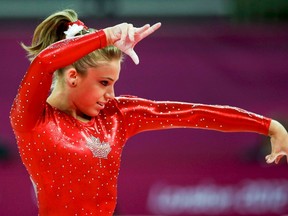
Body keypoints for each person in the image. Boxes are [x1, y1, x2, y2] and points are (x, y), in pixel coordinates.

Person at [10, 9, 288, 215]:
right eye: (104, 83)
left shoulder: (117, 115)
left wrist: (268, 125)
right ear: (72, 77)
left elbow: (191, 113)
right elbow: (45, 64)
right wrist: (107, 35)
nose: (112, 95)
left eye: (114, 84)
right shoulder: (32, 118)